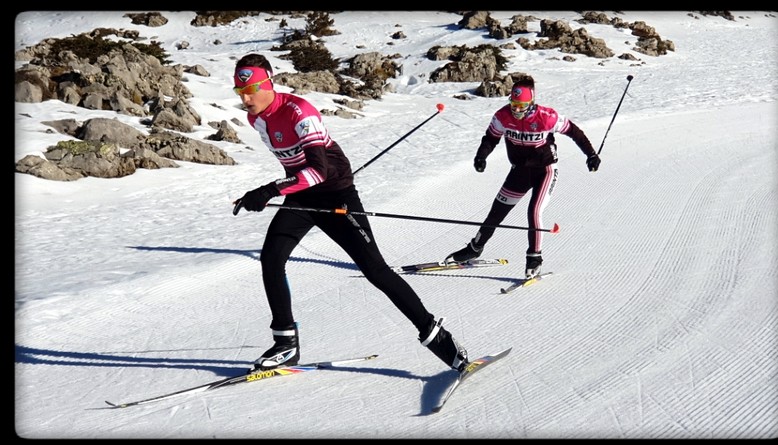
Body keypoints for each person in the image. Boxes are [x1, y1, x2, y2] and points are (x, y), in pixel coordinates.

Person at [230, 53, 469, 373]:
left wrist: (271, 190)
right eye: (239, 91)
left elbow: (318, 171)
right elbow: (295, 167)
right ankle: (286, 343)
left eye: (251, 89)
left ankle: (438, 337)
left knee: (375, 270)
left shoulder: (301, 113)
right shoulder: (256, 118)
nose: (245, 98)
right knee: (272, 258)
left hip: (335, 195)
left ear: (268, 82)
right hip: (302, 196)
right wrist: (272, 190)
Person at [445, 77, 601, 279]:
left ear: (532, 103)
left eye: (522, 106)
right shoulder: (502, 116)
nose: (517, 110)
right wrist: (481, 156)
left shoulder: (547, 116)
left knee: (534, 211)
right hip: (519, 171)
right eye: (514, 104)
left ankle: (534, 257)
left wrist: (591, 154)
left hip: (545, 170)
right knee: (496, 213)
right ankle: (475, 248)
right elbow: (491, 138)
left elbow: (574, 131)